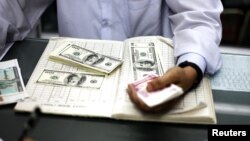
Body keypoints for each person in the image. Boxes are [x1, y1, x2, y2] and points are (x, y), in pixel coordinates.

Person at [0, 0, 223, 113]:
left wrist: (190, 66)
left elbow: (199, 17)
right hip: (74, 99)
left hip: (156, 92)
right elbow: (10, 8)